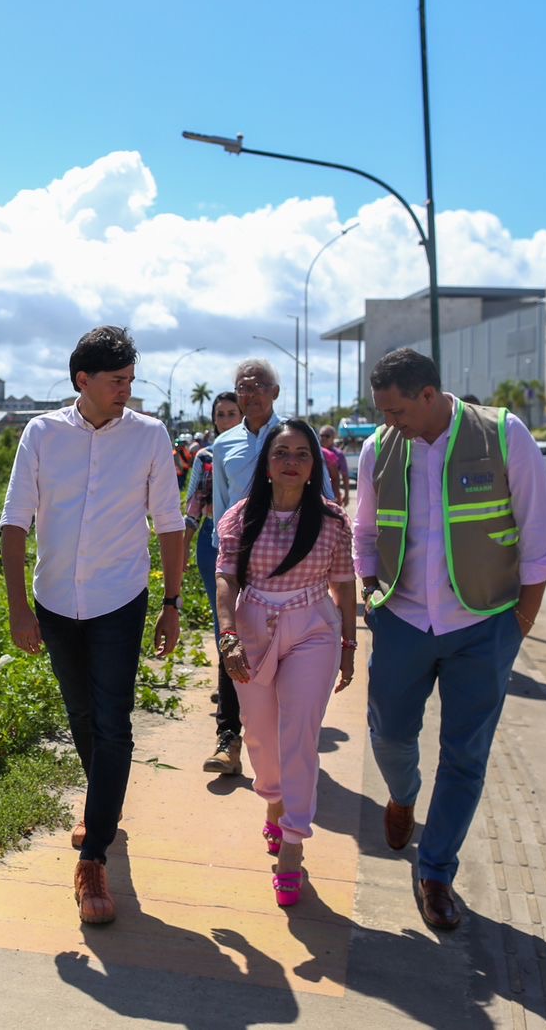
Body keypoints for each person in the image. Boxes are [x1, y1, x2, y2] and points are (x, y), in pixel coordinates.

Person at [353, 348, 546, 931]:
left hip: (484, 626)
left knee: (466, 755)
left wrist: (520, 625)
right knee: (390, 734)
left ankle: (436, 871)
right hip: (402, 619)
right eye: (382, 410)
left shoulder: (503, 434)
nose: (387, 420)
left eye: (395, 409)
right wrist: (372, 596)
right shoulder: (379, 449)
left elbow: (540, 536)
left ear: (428, 395)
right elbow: (365, 532)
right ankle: (402, 794)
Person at [0, 325, 185, 926]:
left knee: (114, 723)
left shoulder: (150, 436)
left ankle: (95, 856)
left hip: (118, 600)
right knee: (80, 715)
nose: (126, 391)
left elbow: (171, 525)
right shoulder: (42, 434)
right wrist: (18, 608)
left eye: (131, 380)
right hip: (54, 602)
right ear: (83, 380)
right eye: (116, 381)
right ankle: (101, 801)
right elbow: (14, 524)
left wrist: (173, 603)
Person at [214, 419, 356, 908]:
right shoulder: (239, 517)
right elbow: (227, 580)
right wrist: (228, 635)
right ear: (267, 466)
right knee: (259, 735)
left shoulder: (333, 520)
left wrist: (348, 646)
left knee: (299, 733)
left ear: (314, 464)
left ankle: (293, 842)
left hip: (313, 628)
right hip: (253, 628)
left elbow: (345, 584)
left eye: (301, 453)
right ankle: (273, 799)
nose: (291, 461)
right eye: (281, 454)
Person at [203, 359, 335, 774]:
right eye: (243, 386)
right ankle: (229, 738)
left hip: (295, 568)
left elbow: (324, 496)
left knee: (290, 649)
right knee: (232, 641)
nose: (251, 392)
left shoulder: (295, 436)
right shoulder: (223, 446)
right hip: (239, 563)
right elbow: (223, 507)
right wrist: (224, 567)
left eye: (261, 385)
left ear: (275, 392)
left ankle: (280, 735)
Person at [183, 392, 243, 744]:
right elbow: (193, 504)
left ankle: (242, 687)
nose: (225, 419)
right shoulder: (204, 457)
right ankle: (230, 686)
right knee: (222, 616)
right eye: (220, 414)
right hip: (210, 539)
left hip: (250, 543)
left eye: (231, 413)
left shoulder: (257, 452)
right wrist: (179, 549)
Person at [319, 424, 351, 505]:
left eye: (327, 436)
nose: (323, 438)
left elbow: (345, 475)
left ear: (333, 438)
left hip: (333, 494)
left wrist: (347, 495)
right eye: (322, 435)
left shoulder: (338, 454)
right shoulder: (315, 452)